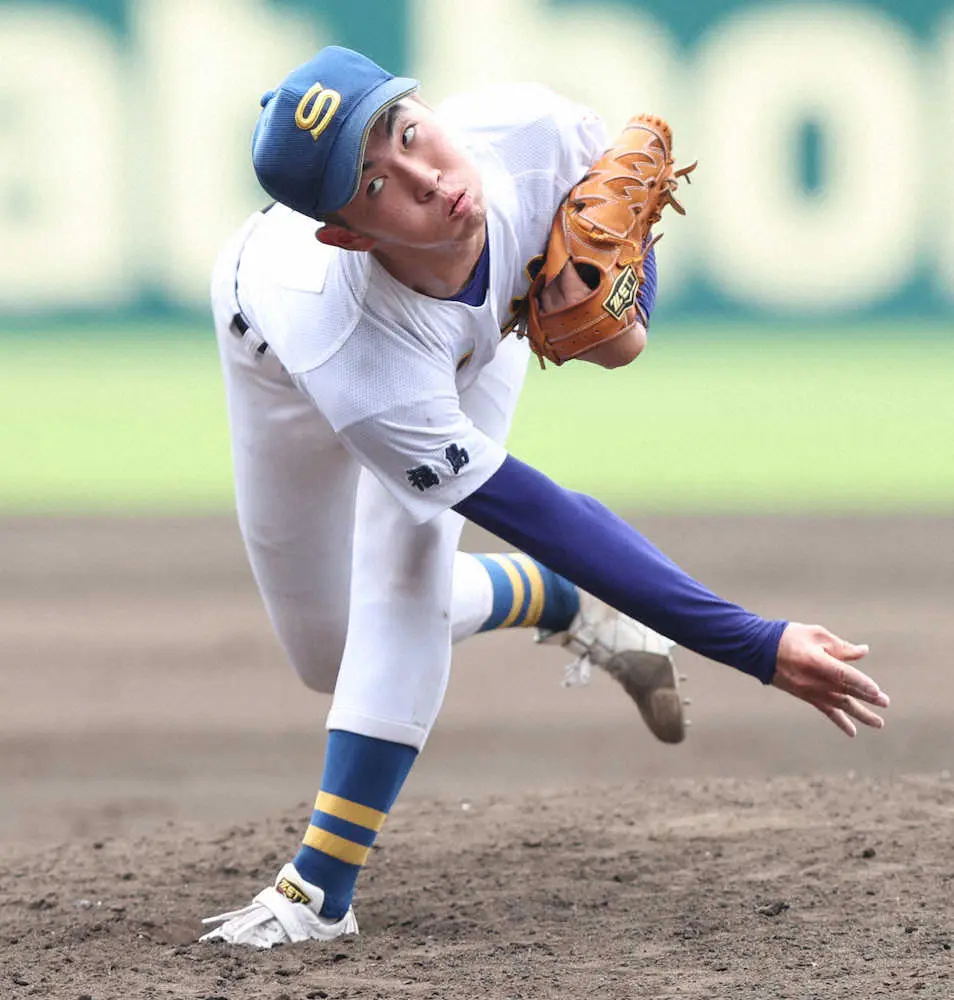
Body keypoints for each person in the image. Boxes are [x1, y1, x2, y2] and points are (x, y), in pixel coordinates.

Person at [200, 46, 890, 949]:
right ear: (351, 233)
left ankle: (318, 892)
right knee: (330, 658)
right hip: (281, 363)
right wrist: (754, 643)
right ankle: (553, 600)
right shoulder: (354, 352)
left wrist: (626, 322)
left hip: (480, 343)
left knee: (407, 577)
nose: (424, 176)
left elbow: (625, 256)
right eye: (375, 186)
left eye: (410, 132)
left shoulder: (537, 134)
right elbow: (547, 515)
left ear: (426, 106)